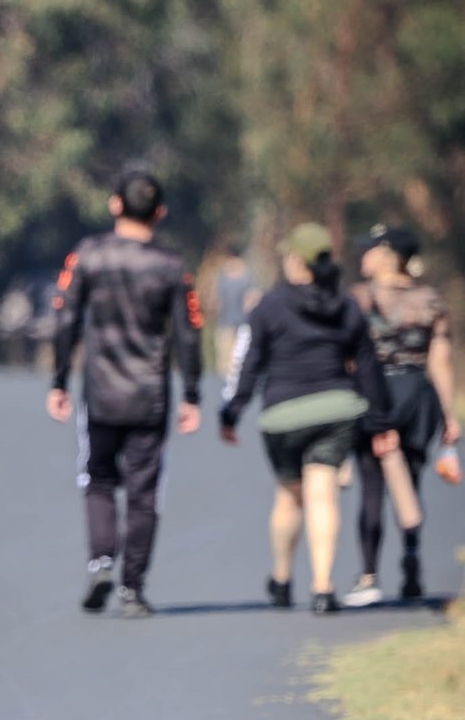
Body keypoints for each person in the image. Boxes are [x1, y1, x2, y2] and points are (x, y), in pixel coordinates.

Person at [45, 168, 204, 616]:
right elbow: (189, 332)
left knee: (97, 478)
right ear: (161, 212)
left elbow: (64, 316)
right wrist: (192, 394)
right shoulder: (171, 266)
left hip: (100, 393)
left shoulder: (88, 255)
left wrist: (59, 381)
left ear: (115, 204)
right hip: (150, 396)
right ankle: (132, 589)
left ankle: (101, 560)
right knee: (143, 490)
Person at [219, 224, 396, 613]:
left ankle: (282, 580)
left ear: (296, 260)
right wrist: (381, 422)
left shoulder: (269, 306)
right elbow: (368, 366)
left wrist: (232, 412)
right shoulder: (346, 306)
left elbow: (249, 364)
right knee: (323, 494)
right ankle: (322, 588)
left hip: (283, 415)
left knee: (289, 498)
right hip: (337, 411)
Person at [342, 225, 459, 606]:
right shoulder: (430, 300)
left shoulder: (359, 299)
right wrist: (449, 414)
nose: (364, 256)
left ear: (387, 256)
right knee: (410, 480)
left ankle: (368, 575)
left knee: (372, 485)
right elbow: (440, 360)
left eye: (370, 249)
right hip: (417, 397)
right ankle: (411, 559)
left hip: (374, 394)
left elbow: (347, 356)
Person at [212, 244, 261, 378]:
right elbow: (217, 300)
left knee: (239, 361)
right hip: (225, 324)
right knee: (224, 363)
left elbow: (254, 297)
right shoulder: (223, 277)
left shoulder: (247, 278)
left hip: (242, 324)